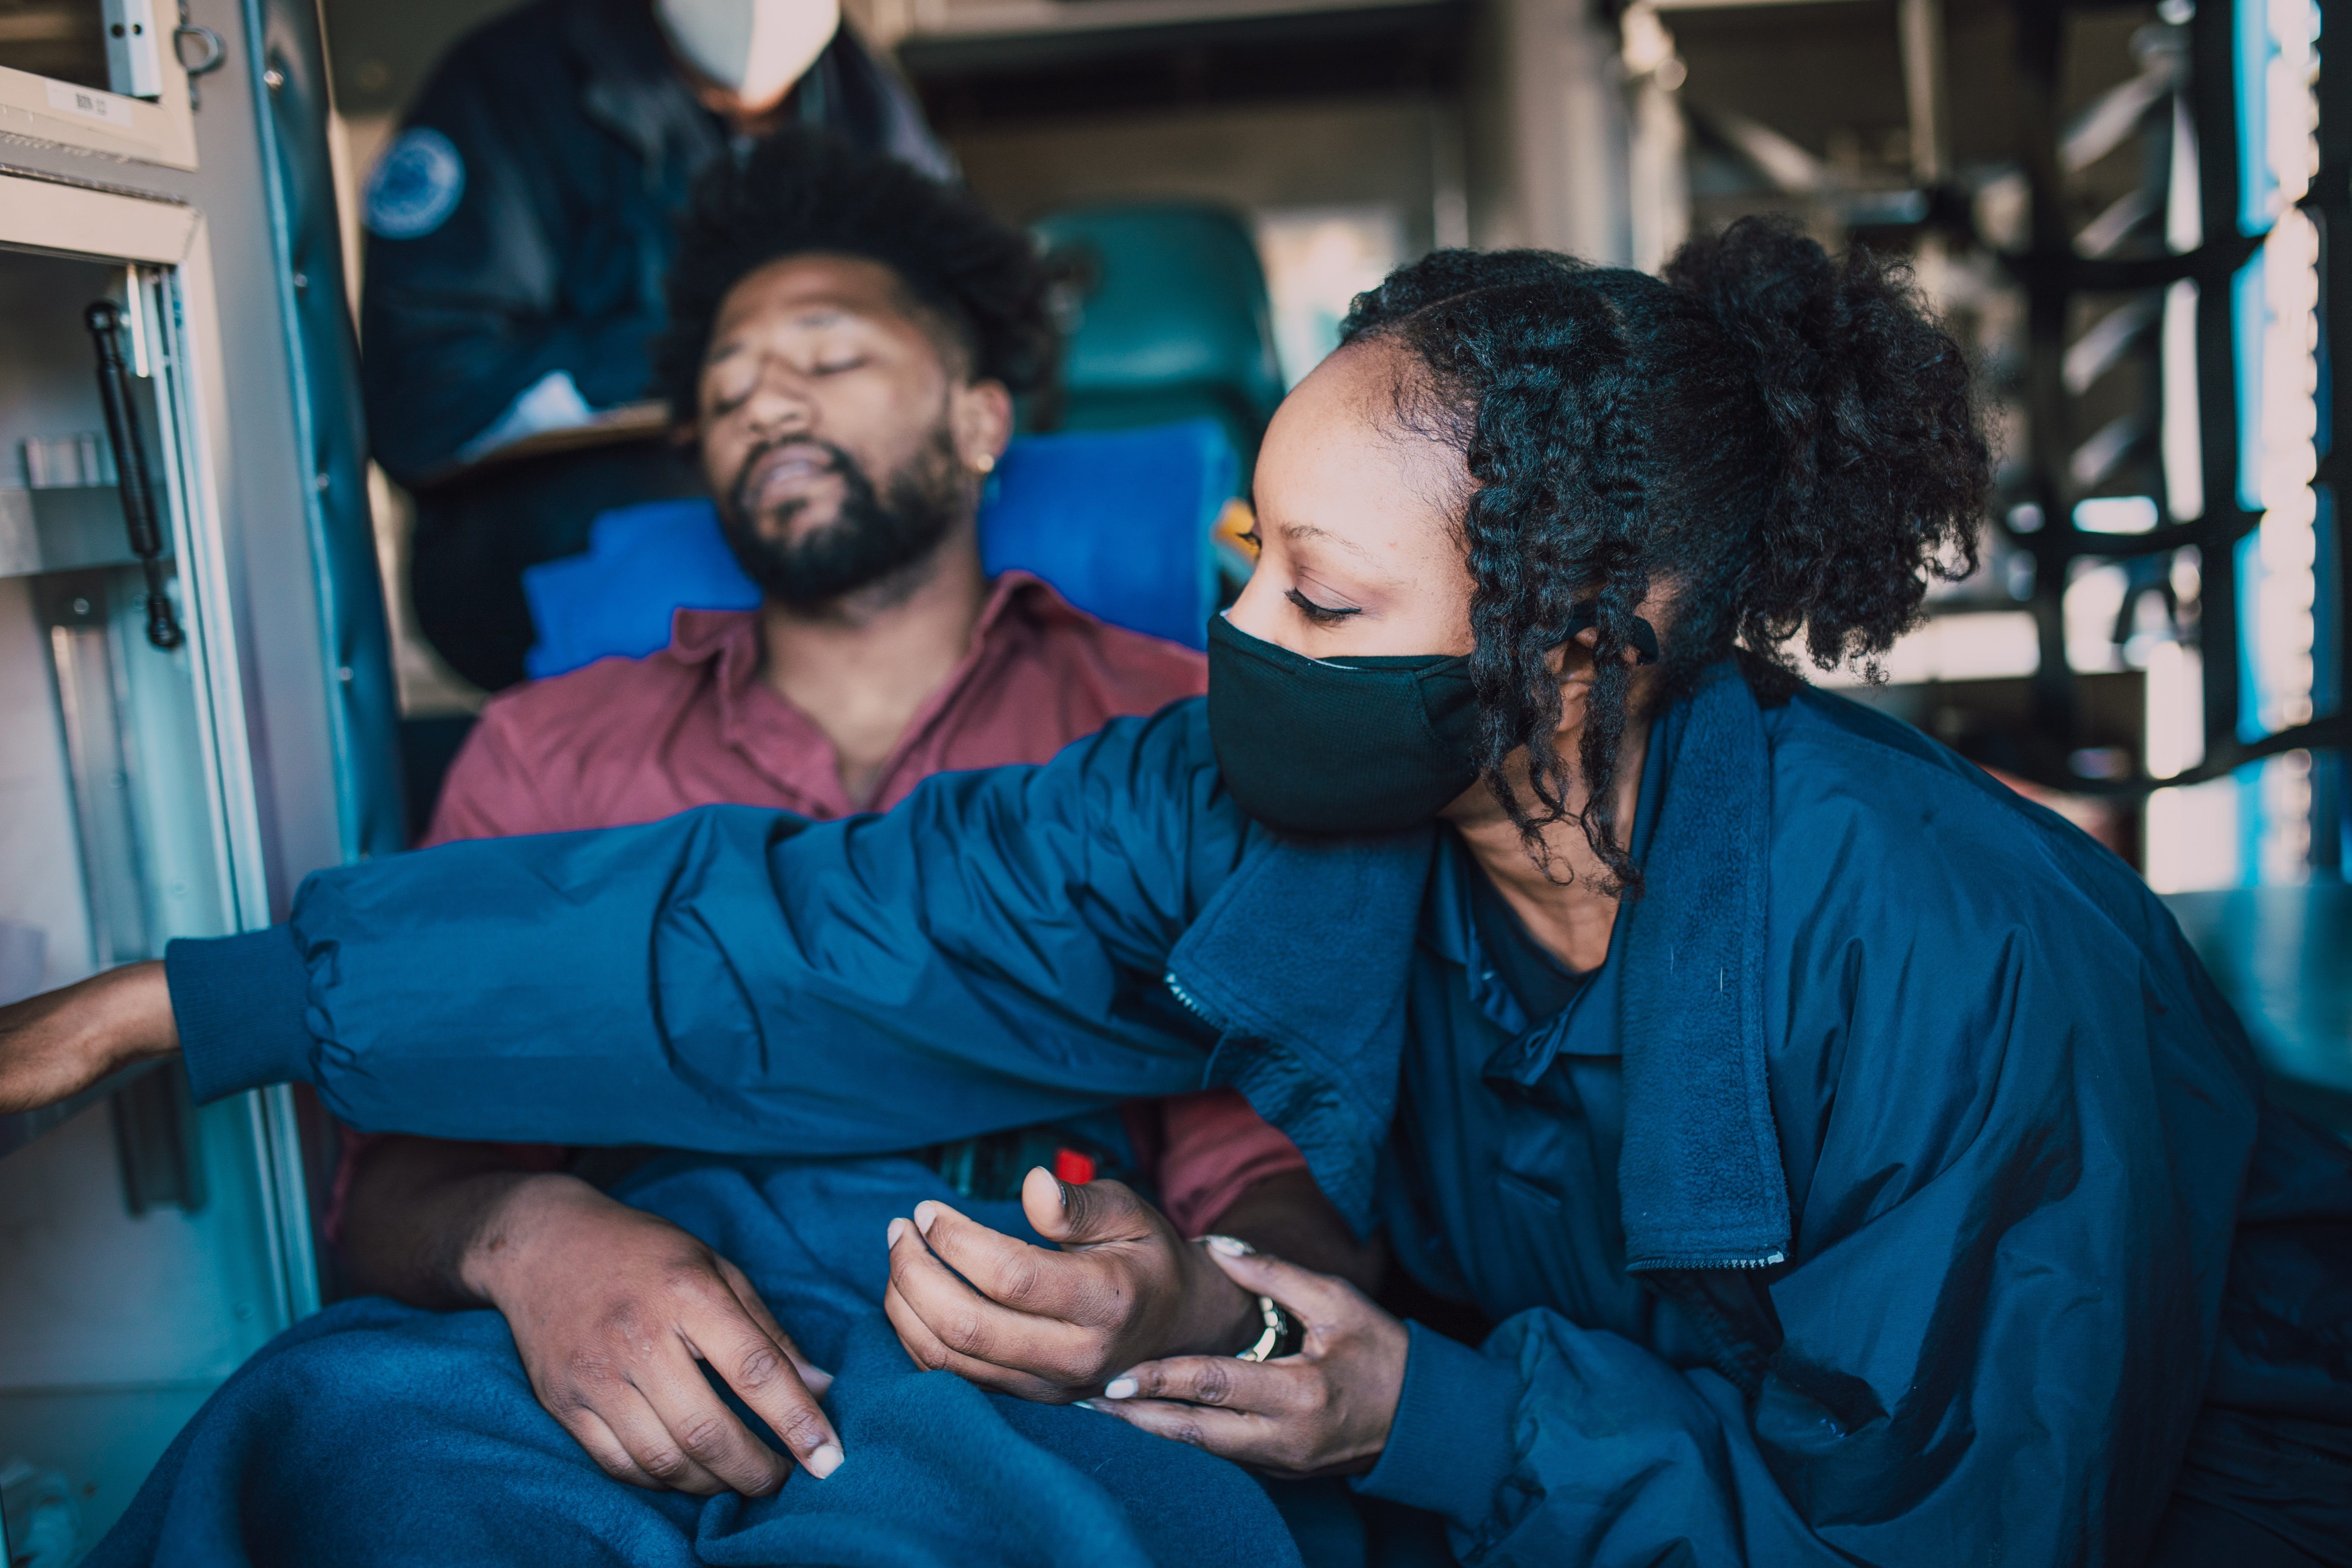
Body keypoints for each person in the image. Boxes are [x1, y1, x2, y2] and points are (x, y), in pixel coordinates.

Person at [13, 224, 2351, 1567]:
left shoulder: (1952, 956)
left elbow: (1930, 1534)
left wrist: (1410, 1415)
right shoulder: (1258, 796)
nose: (1245, 644)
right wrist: (206, 997)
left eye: (1323, 601)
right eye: (1250, 565)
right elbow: (811, 937)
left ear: (1583, 635)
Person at [343, 124, 1372, 1510]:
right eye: (726, 387)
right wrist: (533, 1241)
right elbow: (398, 1152)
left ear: (977, 419)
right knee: (337, 1443)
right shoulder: (548, 752)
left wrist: (1181, 1295)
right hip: (620, 1385)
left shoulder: (1170, 730)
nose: (766, 403)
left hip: (1026, 1374)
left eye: (827, 359)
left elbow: (1288, 1150)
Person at [361, 0, 950, 691]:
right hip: (562, 527)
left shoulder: (857, 90)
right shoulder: (506, 86)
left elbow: (945, 308)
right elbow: (425, 399)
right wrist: (699, 359)